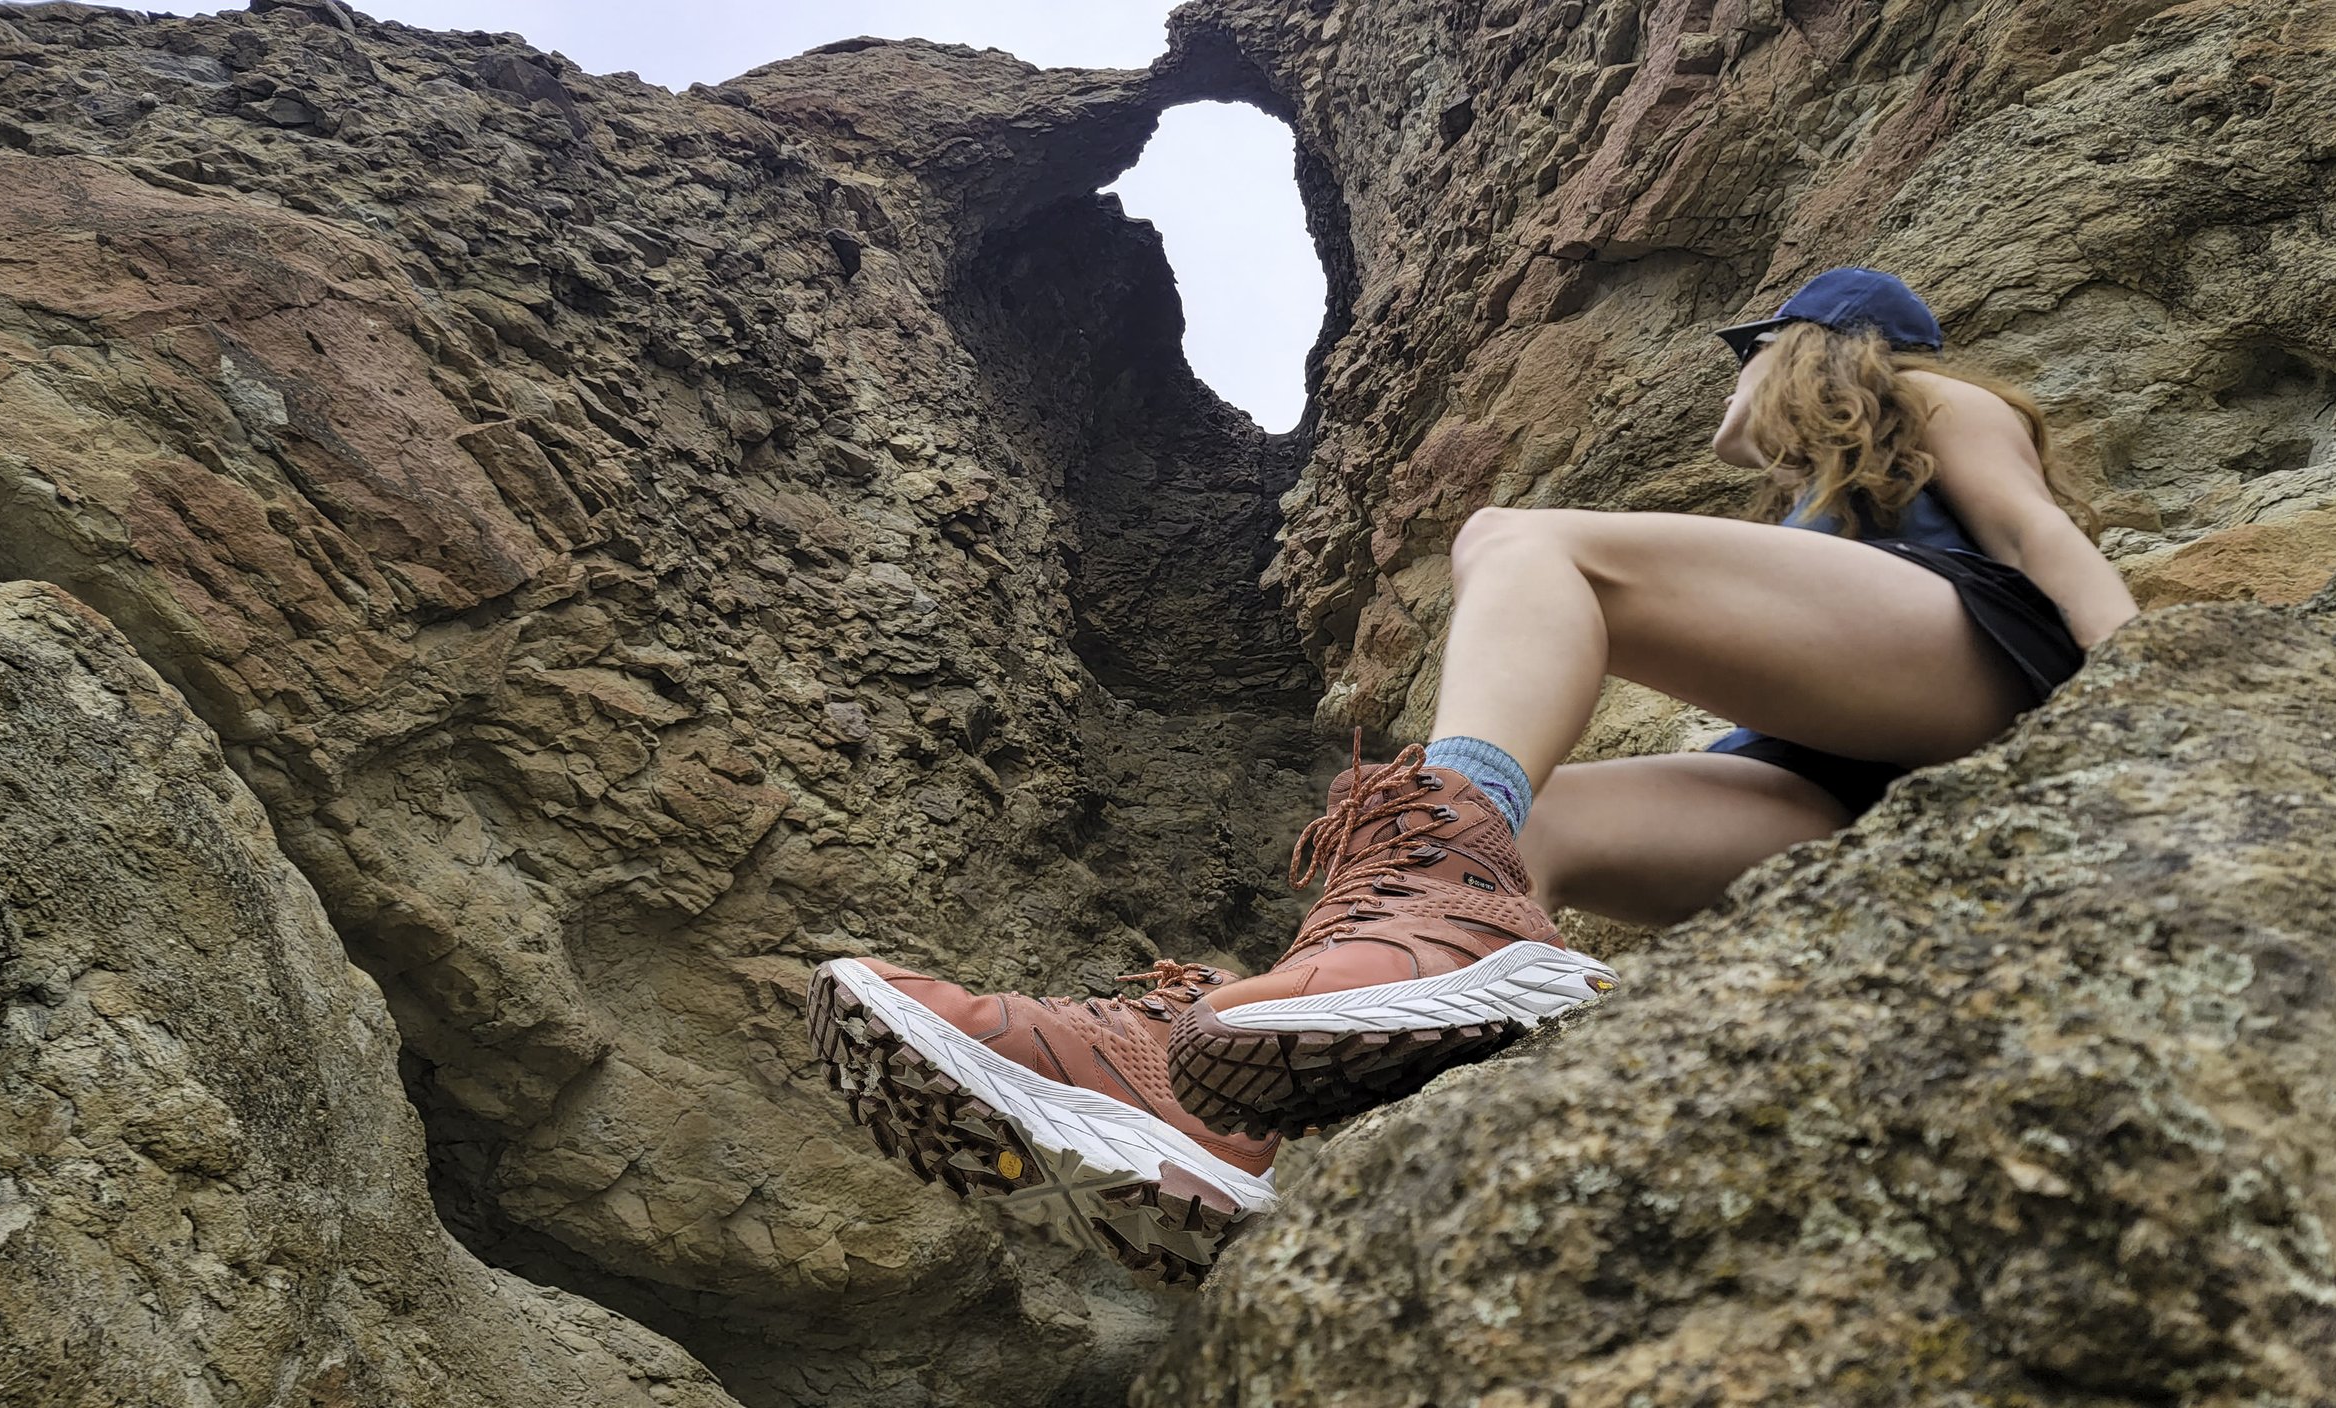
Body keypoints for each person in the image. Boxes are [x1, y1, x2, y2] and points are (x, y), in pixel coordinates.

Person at [805, 267, 2140, 1277]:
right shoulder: (1809, 511)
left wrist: (2152, 691)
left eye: (1750, 355)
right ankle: (1211, 1108)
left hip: (1971, 680)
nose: (1728, 390)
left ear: (1807, 348)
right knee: (1530, 831)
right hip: (1832, 802)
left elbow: (2037, 533)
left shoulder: (1934, 394)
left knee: (1524, 538)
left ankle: (1423, 914)